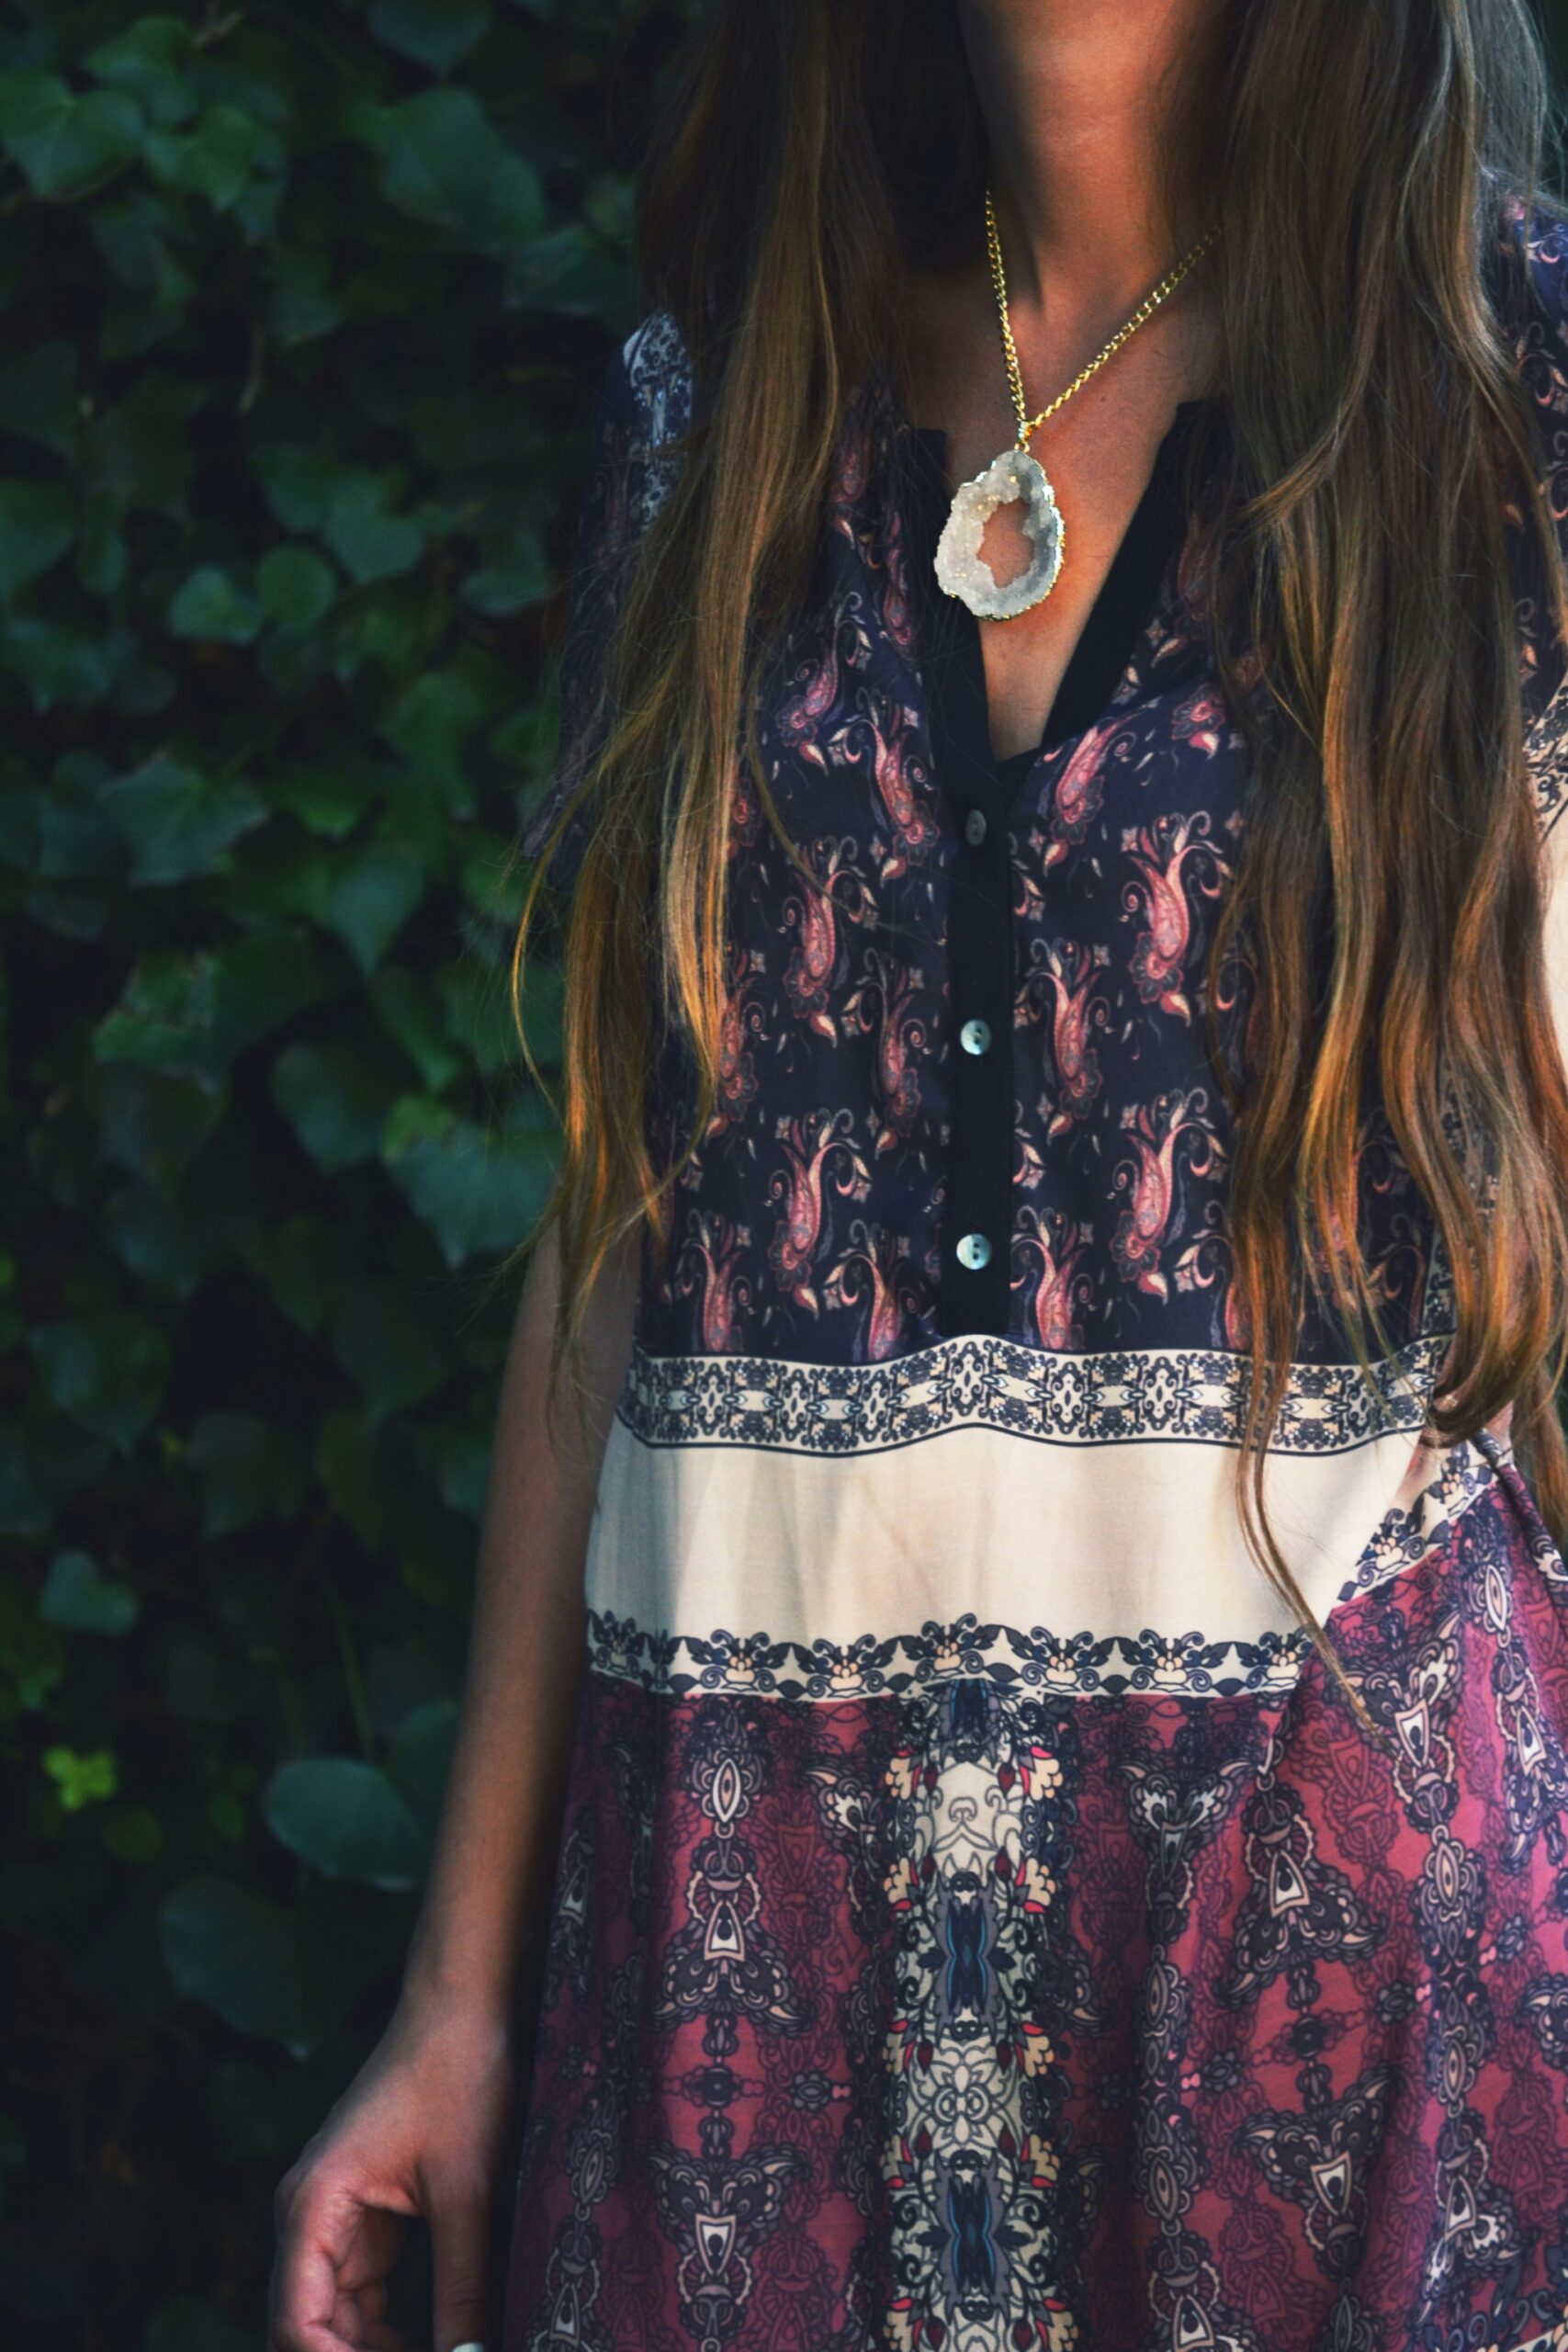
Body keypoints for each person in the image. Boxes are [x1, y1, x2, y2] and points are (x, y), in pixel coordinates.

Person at [268, 3, 1568, 2348]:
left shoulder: (1508, 388)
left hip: (1339, 1966)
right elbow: (619, 1213)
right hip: (731, 1952)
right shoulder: (719, 406)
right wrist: (456, 1990)